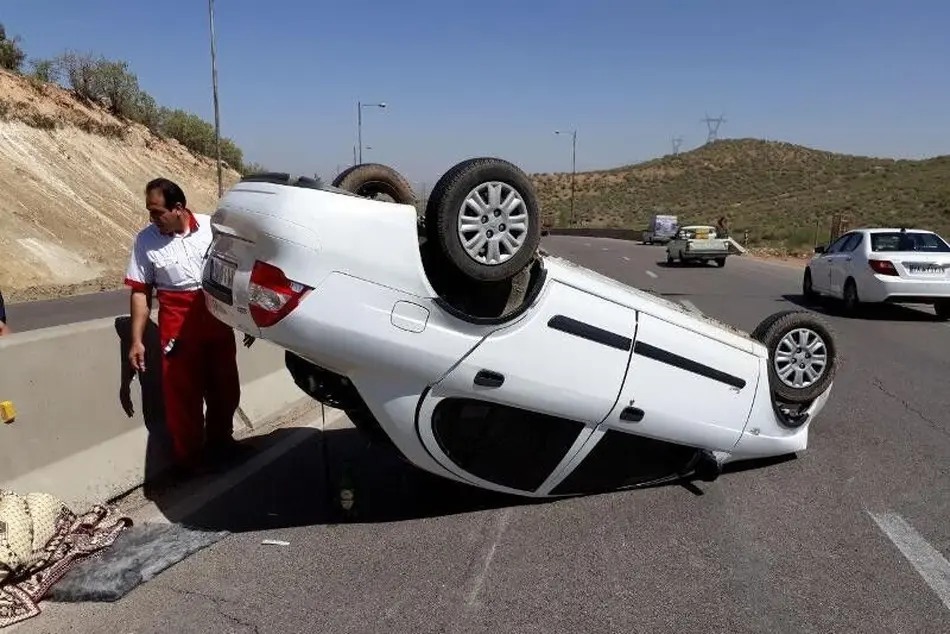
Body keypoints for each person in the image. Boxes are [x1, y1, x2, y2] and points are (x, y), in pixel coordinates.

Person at [124, 177, 245, 473]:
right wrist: (136, 340)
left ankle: (222, 443)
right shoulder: (146, 241)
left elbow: (237, 270)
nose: (153, 219)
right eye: (150, 212)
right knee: (182, 393)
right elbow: (140, 291)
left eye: (157, 212)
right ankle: (190, 458)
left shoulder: (211, 228)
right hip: (176, 324)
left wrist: (247, 317)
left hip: (215, 314)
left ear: (178, 208)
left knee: (225, 386)